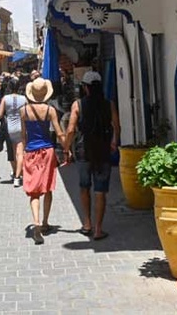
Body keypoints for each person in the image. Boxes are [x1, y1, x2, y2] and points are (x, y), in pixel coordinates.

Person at [64, 71, 120, 240]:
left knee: (84, 187)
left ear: (86, 88)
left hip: (83, 150)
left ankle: (87, 223)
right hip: (102, 149)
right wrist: (113, 142)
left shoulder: (78, 105)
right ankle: (98, 229)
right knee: (100, 190)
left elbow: (71, 129)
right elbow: (117, 126)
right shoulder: (108, 104)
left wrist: (66, 148)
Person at [20, 78, 65, 244]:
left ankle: (36, 221)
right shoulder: (50, 110)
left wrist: (25, 151)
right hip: (47, 151)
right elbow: (59, 132)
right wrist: (66, 147)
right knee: (47, 188)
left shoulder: (24, 111)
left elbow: (23, 135)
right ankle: (45, 222)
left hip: (31, 151)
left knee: (34, 191)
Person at [0, 78, 27, 187]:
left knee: (13, 153)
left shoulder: (5, 98)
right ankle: (17, 177)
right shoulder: (24, 99)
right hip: (21, 127)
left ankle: (16, 173)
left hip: (10, 128)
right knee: (20, 153)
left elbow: (0, 115)